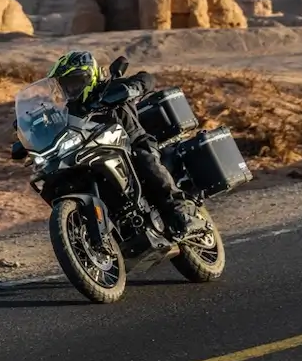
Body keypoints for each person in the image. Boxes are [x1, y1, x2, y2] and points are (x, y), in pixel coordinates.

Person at [43, 49, 195, 236]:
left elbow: (147, 79)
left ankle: (178, 208)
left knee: (144, 159)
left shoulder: (111, 87)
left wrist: (133, 88)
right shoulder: (71, 111)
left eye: (74, 82)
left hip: (133, 143)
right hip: (97, 152)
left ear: (89, 75)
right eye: (66, 86)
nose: (71, 89)